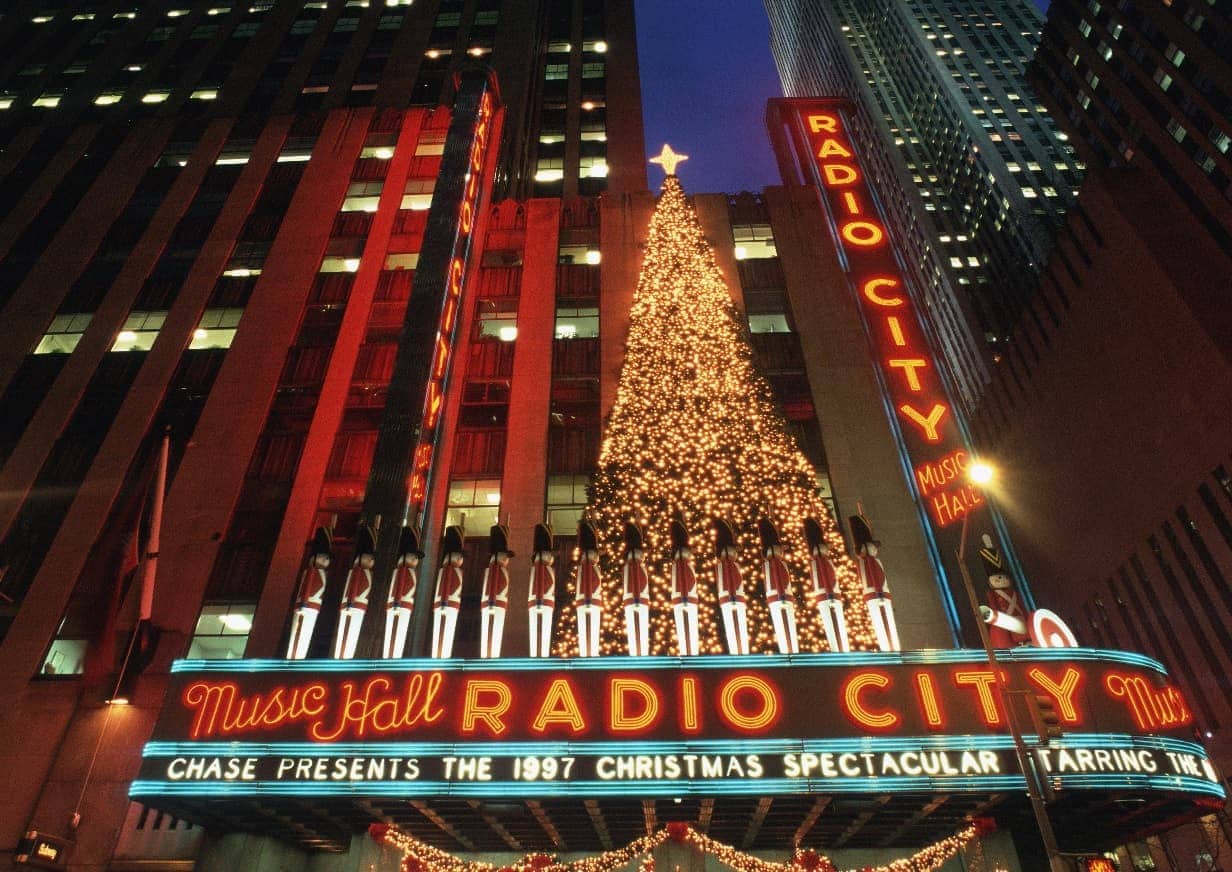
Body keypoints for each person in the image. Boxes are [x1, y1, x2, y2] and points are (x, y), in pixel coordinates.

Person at [850, 509, 900, 651]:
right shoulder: (864, 562)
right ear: (866, 547)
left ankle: (893, 648)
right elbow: (871, 577)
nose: (875, 549)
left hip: (882, 594)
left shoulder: (874, 560)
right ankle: (888, 648)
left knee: (889, 622)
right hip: (874, 594)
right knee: (880, 621)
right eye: (873, 546)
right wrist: (878, 592)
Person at [803, 517, 849, 652]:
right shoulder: (817, 561)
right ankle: (836, 649)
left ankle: (841, 649)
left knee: (839, 624)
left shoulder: (825, 560)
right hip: (826, 594)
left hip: (833, 594)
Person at [287, 527, 332, 659]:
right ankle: (294, 658)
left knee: (305, 631)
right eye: (323, 557)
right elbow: (307, 587)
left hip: (314, 605)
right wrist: (304, 602)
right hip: (307, 605)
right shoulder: (310, 572)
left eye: (327, 558)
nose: (326, 561)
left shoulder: (322, 573)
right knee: (298, 633)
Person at [978, 533, 1030, 648]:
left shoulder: (1015, 593)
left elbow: (1022, 605)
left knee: (1022, 632)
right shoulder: (992, 594)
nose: (1001, 579)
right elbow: (993, 607)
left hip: (1019, 618)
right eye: (997, 578)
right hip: (1006, 621)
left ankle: (1026, 642)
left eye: (1003, 577)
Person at [335, 522, 377, 659]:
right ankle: (342, 658)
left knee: (352, 632)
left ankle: (345, 657)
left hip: (358, 604)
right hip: (352, 603)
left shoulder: (363, 573)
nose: (372, 560)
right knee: (343, 635)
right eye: (369, 556)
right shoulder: (355, 572)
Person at [758, 518, 799, 654]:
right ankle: (787, 650)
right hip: (775, 596)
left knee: (790, 626)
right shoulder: (768, 565)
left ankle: (792, 651)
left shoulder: (782, 563)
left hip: (785, 595)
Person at [383, 525, 424, 659]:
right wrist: (396, 601)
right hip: (398, 603)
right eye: (412, 556)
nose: (415, 559)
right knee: (392, 632)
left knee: (400, 632)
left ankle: (393, 657)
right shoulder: (401, 571)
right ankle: (390, 658)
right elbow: (398, 586)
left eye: (416, 557)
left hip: (405, 603)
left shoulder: (409, 572)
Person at [713, 518, 750, 655]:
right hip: (728, 596)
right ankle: (738, 651)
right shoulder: (723, 566)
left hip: (736, 596)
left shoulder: (733, 565)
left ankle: (741, 652)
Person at [479, 523, 513, 658]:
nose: (506, 559)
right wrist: (492, 600)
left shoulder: (497, 570)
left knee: (496, 629)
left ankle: (491, 655)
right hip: (493, 601)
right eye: (504, 555)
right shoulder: (493, 570)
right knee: (489, 628)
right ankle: (488, 657)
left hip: (497, 602)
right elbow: (492, 585)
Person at [431, 525, 465, 659]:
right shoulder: (449, 569)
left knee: (447, 631)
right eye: (459, 556)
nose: (461, 559)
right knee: (442, 631)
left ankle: (441, 656)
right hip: (447, 602)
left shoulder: (449, 570)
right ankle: (440, 657)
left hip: (449, 603)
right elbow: (446, 585)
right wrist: (445, 600)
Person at [668, 517, 700, 656]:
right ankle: (689, 653)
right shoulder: (678, 566)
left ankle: (691, 653)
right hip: (682, 597)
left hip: (688, 596)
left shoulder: (681, 565)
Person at [574, 519, 604, 657]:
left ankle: (590, 652)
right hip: (590, 599)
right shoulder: (587, 568)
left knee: (590, 626)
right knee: (589, 626)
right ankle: (589, 653)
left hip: (587, 599)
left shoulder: (583, 568)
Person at [622, 521, 651, 656]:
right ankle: (639, 653)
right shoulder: (631, 567)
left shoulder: (630, 566)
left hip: (636, 597)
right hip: (636, 598)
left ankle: (639, 653)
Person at [528, 523, 556, 658]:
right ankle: (539, 656)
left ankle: (540, 655)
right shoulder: (542, 569)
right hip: (542, 600)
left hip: (539, 601)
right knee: (540, 629)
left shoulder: (538, 569)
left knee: (541, 629)